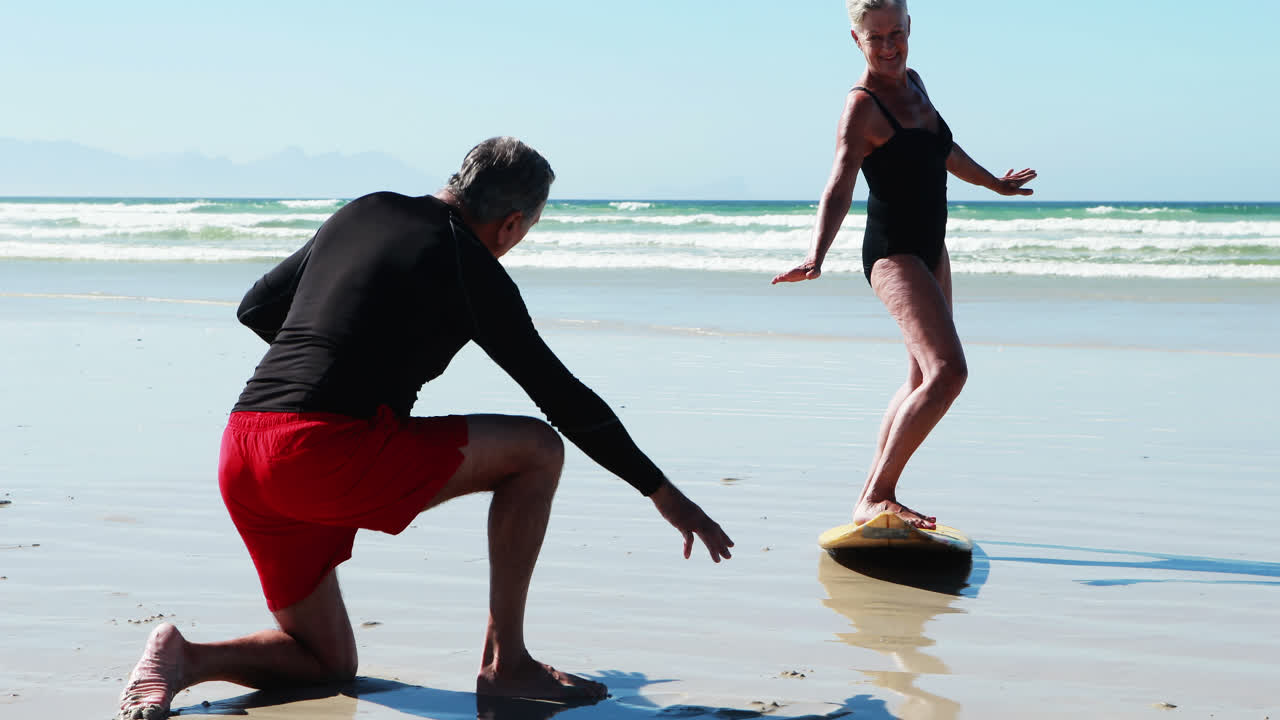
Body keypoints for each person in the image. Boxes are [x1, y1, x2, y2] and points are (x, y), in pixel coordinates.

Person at [117, 137, 734, 720]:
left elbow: (255, 308)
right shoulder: (472, 264)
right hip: (323, 454)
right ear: (513, 224)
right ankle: (507, 664)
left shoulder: (365, 210)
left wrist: (347, 355)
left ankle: (184, 658)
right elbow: (560, 397)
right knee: (537, 450)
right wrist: (662, 493)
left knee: (327, 664)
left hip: (244, 449)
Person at [772, 0, 1036, 530]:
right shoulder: (862, 106)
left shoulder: (915, 83)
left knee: (920, 375)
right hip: (893, 253)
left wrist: (994, 183)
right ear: (856, 39)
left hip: (932, 248)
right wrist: (815, 255)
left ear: (910, 28)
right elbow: (840, 181)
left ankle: (870, 496)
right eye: (877, 38)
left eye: (897, 33)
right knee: (948, 372)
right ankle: (877, 494)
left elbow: (944, 150)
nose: (889, 46)